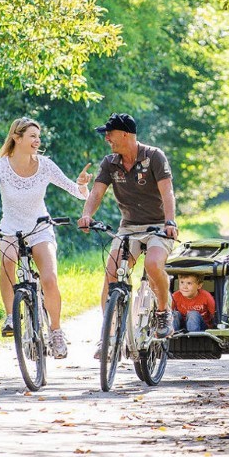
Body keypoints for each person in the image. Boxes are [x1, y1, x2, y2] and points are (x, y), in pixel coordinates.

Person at [0, 117, 92, 360]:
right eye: (32, 136)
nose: (37, 141)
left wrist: (81, 187)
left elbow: (75, 192)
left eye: (38, 137)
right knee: (7, 260)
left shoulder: (45, 165)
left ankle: (56, 331)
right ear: (17, 138)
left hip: (40, 227)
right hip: (10, 228)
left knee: (49, 278)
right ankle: (10, 316)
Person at [77, 112, 179, 340]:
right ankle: (109, 334)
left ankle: (164, 312)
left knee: (153, 265)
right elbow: (97, 192)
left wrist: (170, 221)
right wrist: (86, 215)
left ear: (125, 134)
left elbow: (167, 191)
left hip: (158, 226)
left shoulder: (154, 157)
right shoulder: (109, 163)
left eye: (109, 134)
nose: (107, 138)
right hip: (129, 228)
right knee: (112, 272)